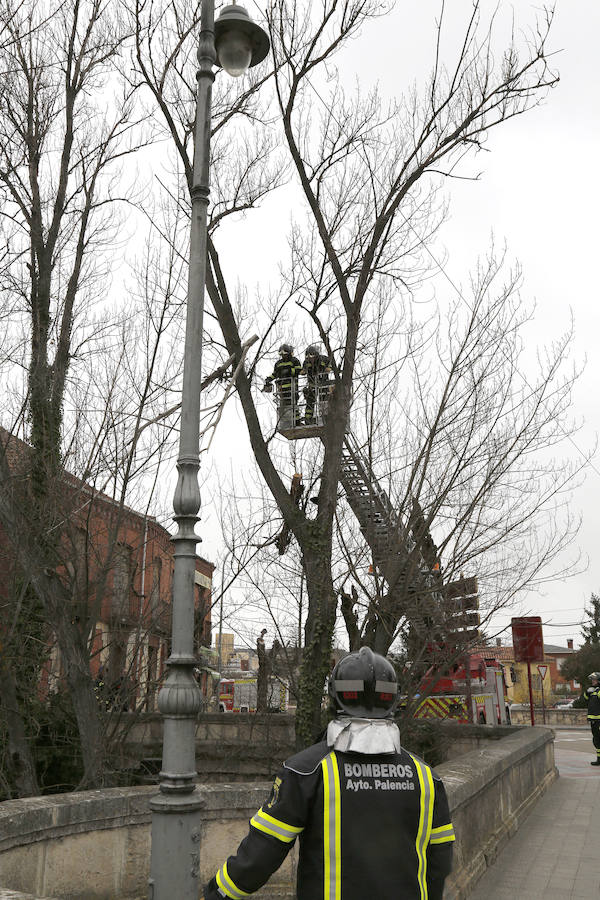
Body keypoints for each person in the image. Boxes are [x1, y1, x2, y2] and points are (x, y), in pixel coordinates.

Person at [202, 646, 455, 900]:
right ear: (393, 699)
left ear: (335, 696)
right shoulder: (426, 777)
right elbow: (440, 861)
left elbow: (260, 856)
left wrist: (217, 893)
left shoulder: (307, 771)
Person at [263, 343, 302, 428]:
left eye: (284, 354)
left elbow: (299, 370)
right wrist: (269, 379)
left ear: (288, 353)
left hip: (292, 388)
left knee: (293, 405)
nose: (283, 356)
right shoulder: (278, 363)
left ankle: (297, 422)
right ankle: (286, 423)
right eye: (281, 355)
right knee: (283, 406)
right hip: (282, 389)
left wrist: (289, 371)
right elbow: (275, 374)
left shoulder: (294, 361)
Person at [301, 343, 331, 424]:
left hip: (323, 384)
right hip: (312, 385)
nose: (311, 360)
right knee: (310, 401)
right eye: (308, 357)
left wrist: (328, 368)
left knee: (323, 401)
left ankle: (325, 419)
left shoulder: (323, 359)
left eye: (312, 357)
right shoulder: (306, 362)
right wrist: (302, 371)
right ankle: (308, 419)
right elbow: (303, 370)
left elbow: (330, 364)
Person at [584, 672, 600, 766]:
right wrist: (587, 692)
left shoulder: (598, 691)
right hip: (593, 720)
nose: (592, 681)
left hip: (599, 720)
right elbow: (585, 699)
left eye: (594, 680)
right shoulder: (592, 690)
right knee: (596, 740)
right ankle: (599, 759)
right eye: (592, 680)